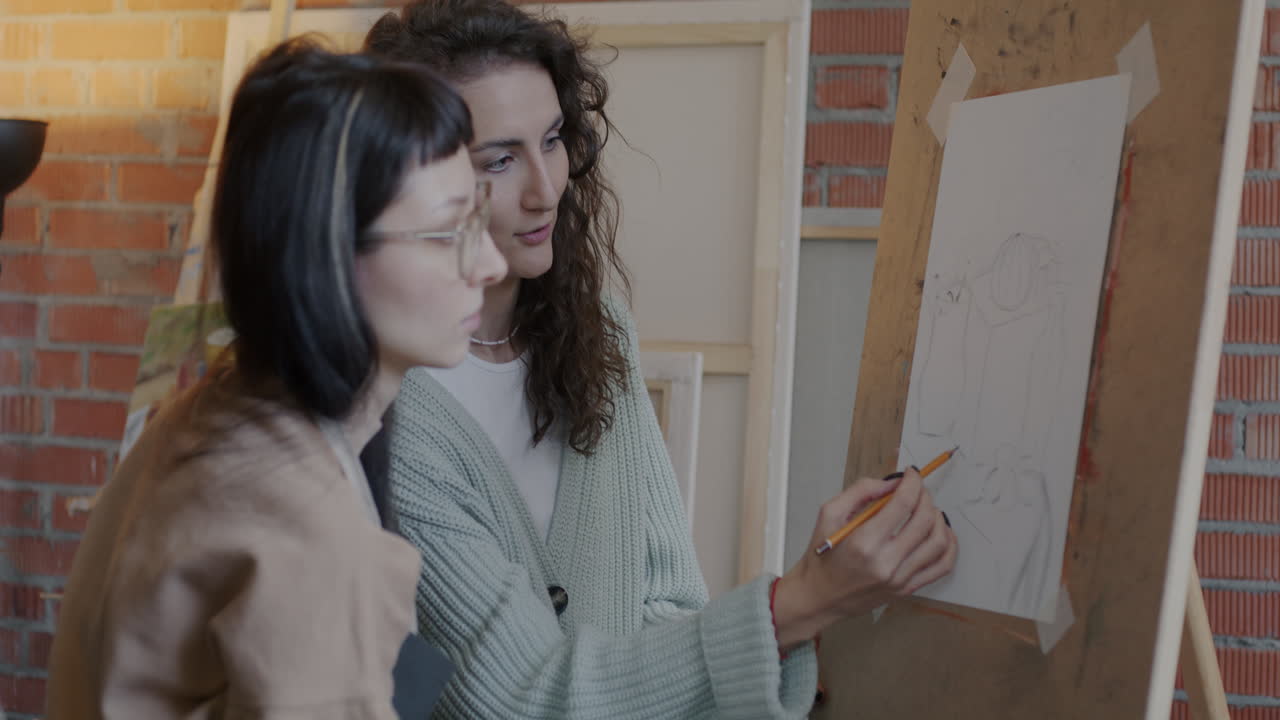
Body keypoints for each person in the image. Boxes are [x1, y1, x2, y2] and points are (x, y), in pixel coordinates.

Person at [366, 2, 958, 717]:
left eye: (551, 140)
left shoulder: (598, 331)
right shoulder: (384, 409)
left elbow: (670, 605)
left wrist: (797, 614)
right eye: (499, 159)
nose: (545, 190)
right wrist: (801, 601)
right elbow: (522, 698)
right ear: (412, 182)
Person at [46, 37, 505, 719]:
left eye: (479, 217)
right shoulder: (308, 526)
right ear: (324, 253)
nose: (491, 264)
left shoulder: (218, 412)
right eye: (448, 234)